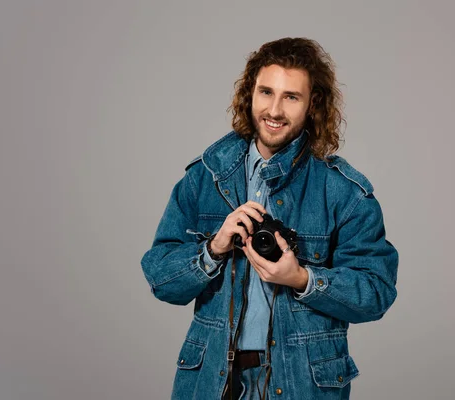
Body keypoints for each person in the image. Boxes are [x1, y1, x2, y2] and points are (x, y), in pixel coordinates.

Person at [141, 37, 399, 400]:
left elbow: (376, 293)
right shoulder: (205, 177)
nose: (274, 110)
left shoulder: (345, 193)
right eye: (266, 92)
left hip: (302, 385)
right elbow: (161, 280)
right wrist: (213, 249)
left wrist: (302, 279)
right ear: (250, 95)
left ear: (313, 105)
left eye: (291, 97)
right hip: (213, 383)